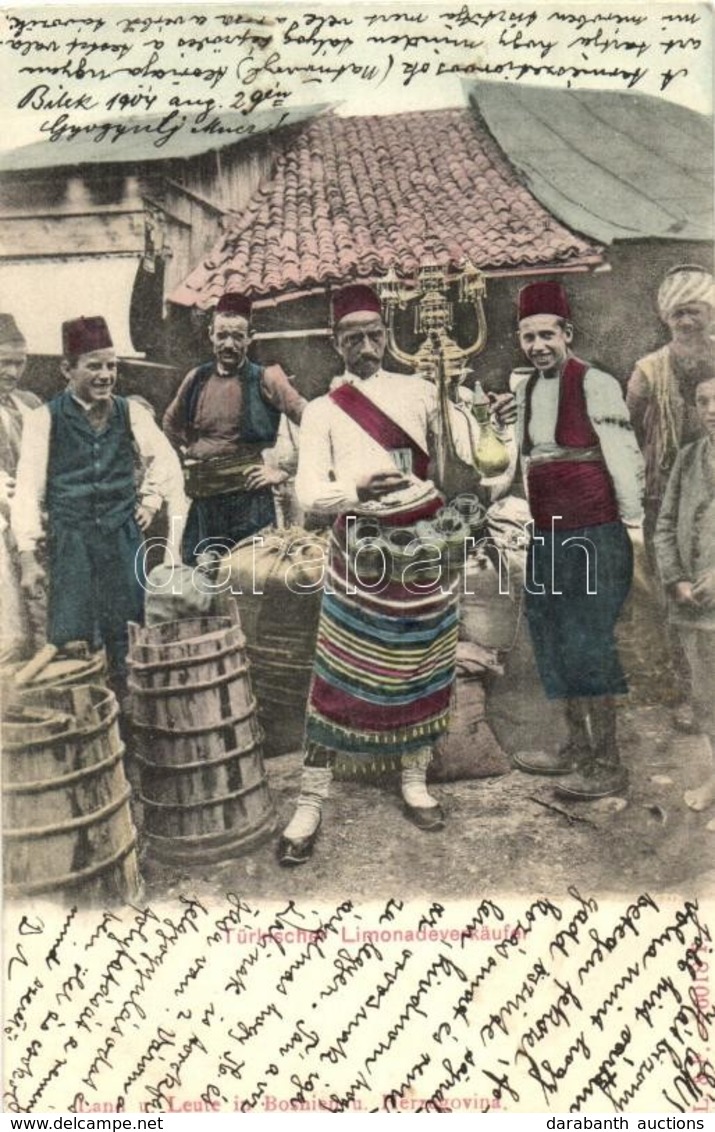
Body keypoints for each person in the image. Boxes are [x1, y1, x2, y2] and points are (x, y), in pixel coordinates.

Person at [277, 282, 513, 866]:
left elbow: (482, 462)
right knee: (338, 676)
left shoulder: (422, 390)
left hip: (428, 547)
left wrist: (485, 418)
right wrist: (354, 488)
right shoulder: (324, 412)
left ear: (387, 336)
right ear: (336, 343)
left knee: (425, 666)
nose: (365, 345)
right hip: (359, 550)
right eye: (351, 336)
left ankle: (414, 782)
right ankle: (310, 802)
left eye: (373, 333)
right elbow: (309, 494)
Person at [511, 281, 645, 800]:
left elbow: (623, 458)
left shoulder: (596, 383)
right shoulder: (523, 389)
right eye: (528, 337)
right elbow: (527, 461)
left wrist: (630, 528)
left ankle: (608, 762)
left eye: (547, 335)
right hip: (547, 534)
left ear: (567, 332)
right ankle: (574, 747)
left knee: (589, 641)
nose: (538, 345)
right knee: (549, 635)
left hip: (593, 531)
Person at [12, 316, 187, 698]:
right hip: (71, 542)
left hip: (122, 541)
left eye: (111, 366)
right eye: (94, 365)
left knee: (127, 632)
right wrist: (28, 556)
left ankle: (132, 717)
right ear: (67, 369)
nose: (106, 375)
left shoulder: (132, 413)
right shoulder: (44, 420)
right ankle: (90, 721)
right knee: (73, 639)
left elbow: (167, 463)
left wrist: (150, 501)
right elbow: (26, 490)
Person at [626, 265, 715, 727]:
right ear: (666, 317)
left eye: (695, 312)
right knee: (676, 595)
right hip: (666, 497)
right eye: (678, 313)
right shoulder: (648, 371)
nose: (686, 322)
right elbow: (626, 433)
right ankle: (686, 694)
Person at [162, 292, 306, 563]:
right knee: (200, 583)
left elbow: (315, 421)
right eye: (222, 335)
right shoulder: (196, 378)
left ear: (250, 337)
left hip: (249, 502)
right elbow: (169, 424)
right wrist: (189, 456)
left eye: (238, 336)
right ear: (211, 335)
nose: (229, 344)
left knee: (246, 582)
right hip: (204, 501)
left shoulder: (267, 378)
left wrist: (283, 471)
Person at [653, 373, 715, 816]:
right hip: (693, 604)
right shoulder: (690, 457)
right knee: (707, 696)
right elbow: (665, 525)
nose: (711, 410)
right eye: (703, 402)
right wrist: (677, 579)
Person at [0, 313, 42, 659]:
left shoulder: (29, 404)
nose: (12, 372)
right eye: (4, 362)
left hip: (33, 519)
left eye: (19, 362)